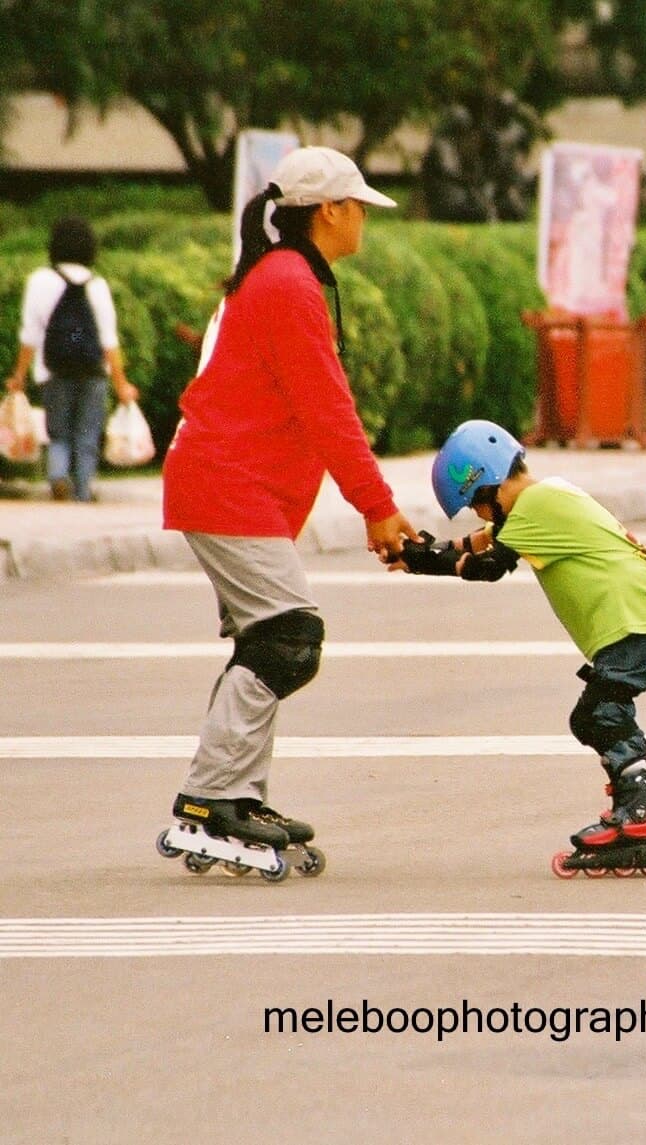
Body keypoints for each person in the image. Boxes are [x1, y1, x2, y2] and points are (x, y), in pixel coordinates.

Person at [154, 146, 419, 881]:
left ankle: (238, 793)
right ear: (328, 210)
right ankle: (211, 793)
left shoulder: (283, 277)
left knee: (267, 642)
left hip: (233, 486)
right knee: (288, 636)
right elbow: (329, 409)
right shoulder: (288, 285)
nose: (366, 217)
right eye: (359, 204)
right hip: (225, 483)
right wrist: (379, 508)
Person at [398, 421, 646, 877]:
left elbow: (488, 565)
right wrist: (418, 553)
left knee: (598, 715)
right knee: (605, 711)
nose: (480, 515)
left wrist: (421, 559)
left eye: (477, 503)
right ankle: (644, 797)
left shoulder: (535, 505)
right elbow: (478, 544)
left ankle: (641, 806)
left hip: (631, 617)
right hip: (638, 614)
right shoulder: (543, 499)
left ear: (490, 480)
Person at [5, 217, 139, 501]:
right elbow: (109, 340)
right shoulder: (97, 285)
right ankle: (83, 489)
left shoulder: (39, 281)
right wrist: (121, 383)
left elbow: (29, 335)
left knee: (59, 432)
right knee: (87, 434)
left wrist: (18, 376)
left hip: (54, 370)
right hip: (93, 371)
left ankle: (57, 476)